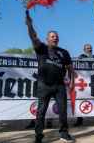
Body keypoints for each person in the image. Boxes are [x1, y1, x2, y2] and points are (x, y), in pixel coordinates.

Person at [25, 10, 75, 143]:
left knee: (63, 111)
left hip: (59, 86)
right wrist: (29, 25)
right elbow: (33, 36)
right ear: (47, 39)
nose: (55, 38)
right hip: (44, 85)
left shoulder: (64, 52)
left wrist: (72, 82)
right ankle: (39, 136)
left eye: (56, 36)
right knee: (41, 111)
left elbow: (70, 68)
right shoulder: (41, 48)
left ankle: (64, 134)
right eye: (52, 36)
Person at [74, 43, 94, 126]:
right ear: (84, 50)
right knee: (82, 100)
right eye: (88, 48)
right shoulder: (82, 56)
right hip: (84, 84)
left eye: (90, 48)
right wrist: (78, 59)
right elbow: (76, 63)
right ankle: (79, 120)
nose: (89, 49)